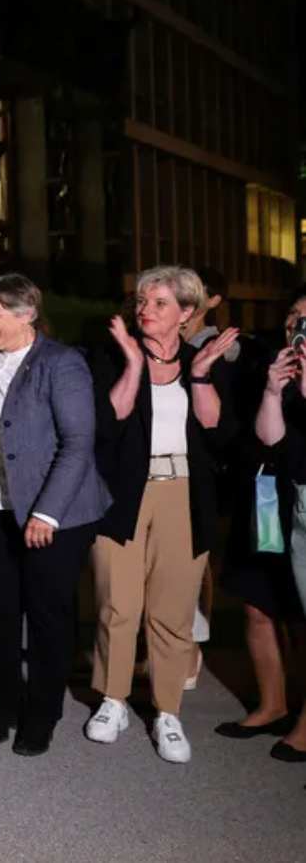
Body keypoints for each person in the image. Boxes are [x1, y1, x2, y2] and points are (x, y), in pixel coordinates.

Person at [85, 266, 237, 765]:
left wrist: (200, 376)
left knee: (172, 612)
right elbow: (106, 424)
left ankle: (167, 711)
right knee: (117, 604)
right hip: (122, 494)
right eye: (141, 301)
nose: (145, 310)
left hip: (183, 494)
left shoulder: (201, 361)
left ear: (186, 312)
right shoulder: (111, 356)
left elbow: (217, 431)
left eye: (159, 303)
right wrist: (133, 363)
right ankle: (113, 700)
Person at [0, 275, 111, 756]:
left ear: (26, 315)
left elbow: (78, 444)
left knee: (47, 614)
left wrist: (46, 513)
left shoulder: (61, 363)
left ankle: (43, 712)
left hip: (54, 512)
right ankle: (4, 703)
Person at [230, 287, 306, 763]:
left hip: (301, 500)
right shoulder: (274, 367)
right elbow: (267, 439)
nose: (296, 325)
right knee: (258, 603)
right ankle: (273, 704)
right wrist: (275, 390)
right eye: (293, 316)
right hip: (269, 498)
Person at [182, 266, 239, 684]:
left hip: (201, 466)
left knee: (195, 561)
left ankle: (192, 645)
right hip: (159, 466)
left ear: (213, 301)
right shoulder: (159, 341)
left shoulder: (222, 348)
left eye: (196, 291)